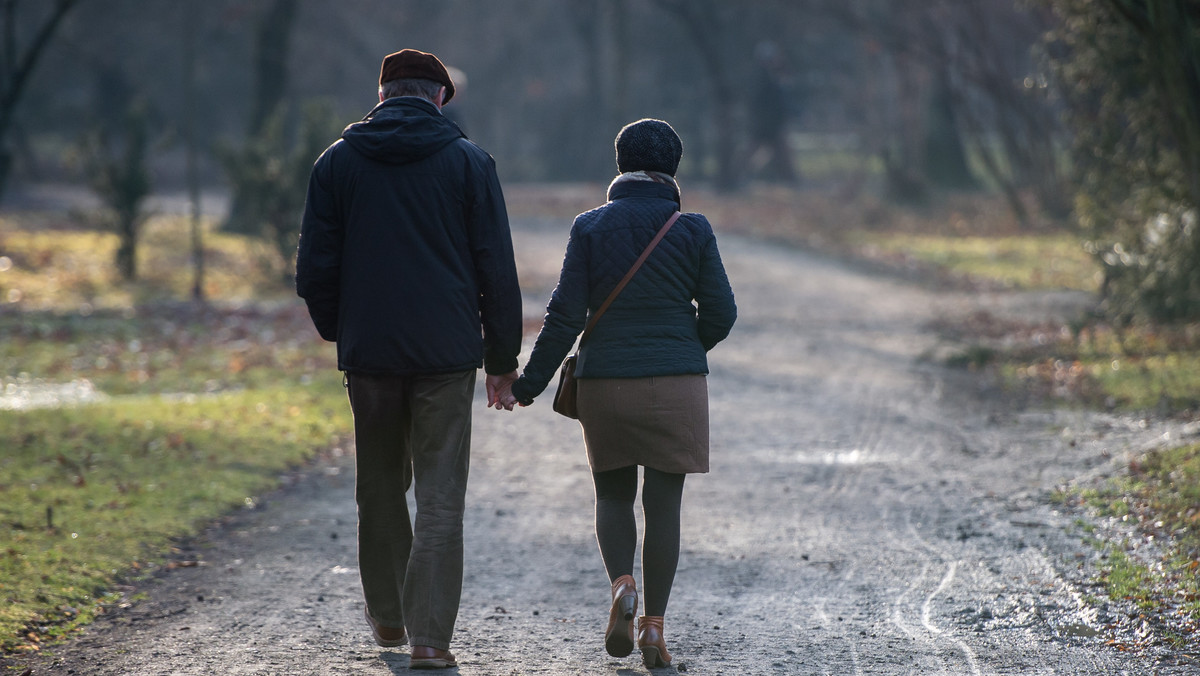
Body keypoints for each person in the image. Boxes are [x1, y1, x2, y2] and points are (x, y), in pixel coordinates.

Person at [295, 48, 522, 669]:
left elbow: (315, 269)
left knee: (379, 487)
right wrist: (502, 359)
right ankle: (429, 640)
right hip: (446, 355)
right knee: (441, 496)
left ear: (382, 96)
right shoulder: (471, 164)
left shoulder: (336, 164)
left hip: (370, 354)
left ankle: (390, 619)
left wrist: (344, 331)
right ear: (441, 97)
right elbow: (495, 270)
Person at [495, 119, 736, 669]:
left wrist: (527, 385)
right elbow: (722, 312)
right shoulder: (692, 228)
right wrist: (682, 347)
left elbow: (563, 316)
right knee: (664, 503)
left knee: (612, 495)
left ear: (620, 164)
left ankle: (622, 585)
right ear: (672, 169)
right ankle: (653, 627)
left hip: (605, 383)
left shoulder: (590, 227)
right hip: (676, 383)